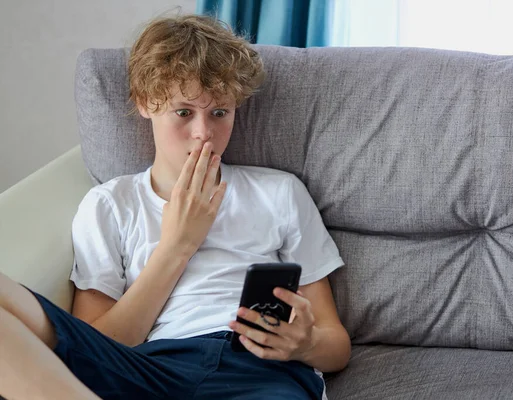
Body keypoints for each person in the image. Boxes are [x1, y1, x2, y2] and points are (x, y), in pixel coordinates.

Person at [0, 14, 350, 400]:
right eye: (183, 112)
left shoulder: (280, 192)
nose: (204, 133)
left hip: (257, 368)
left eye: (220, 112)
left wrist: (305, 345)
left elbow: (337, 346)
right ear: (146, 104)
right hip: (151, 366)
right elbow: (98, 346)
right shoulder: (110, 204)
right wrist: (177, 246)